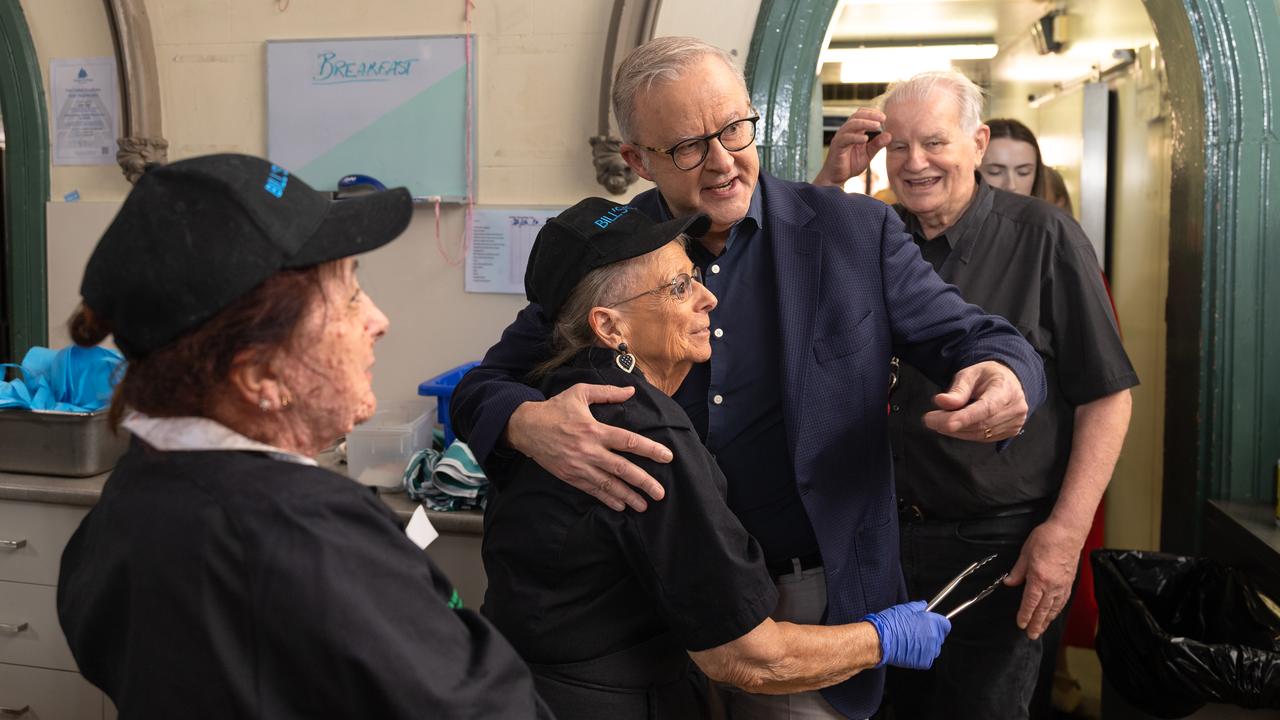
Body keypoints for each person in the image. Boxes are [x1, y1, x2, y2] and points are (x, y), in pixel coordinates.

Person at [452, 37, 1047, 719]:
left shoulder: (856, 233)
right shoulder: (607, 252)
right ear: (637, 159)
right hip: (644, 618)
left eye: (735, 129)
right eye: (686, 146)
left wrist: (1006, 377)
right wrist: (528, 423)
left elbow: (980, 338)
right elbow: (482, 387)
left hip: (807, 604)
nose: (724, 161)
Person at [56, 154, 551, 719]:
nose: (379, 320)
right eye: (347, 297)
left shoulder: (128, 500)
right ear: (258, 375)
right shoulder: (306, 539)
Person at [482, 196, 951, 719]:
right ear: (609, 326)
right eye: (679, 288)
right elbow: (749, 658)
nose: (708, 298)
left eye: (695, 277)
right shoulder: (641, 434)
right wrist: (881, 638)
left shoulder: (552, 401)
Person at [817, 71, 1137, 720]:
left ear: (976, 141)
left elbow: (1107, 397)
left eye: (934, 142)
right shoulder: (875, 232)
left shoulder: (1045, 236)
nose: (915, 162)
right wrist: (830, 185)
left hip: (1000, 550)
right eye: (898, 146)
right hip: (880, 544)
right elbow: (779, 274)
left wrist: (1065, 534)